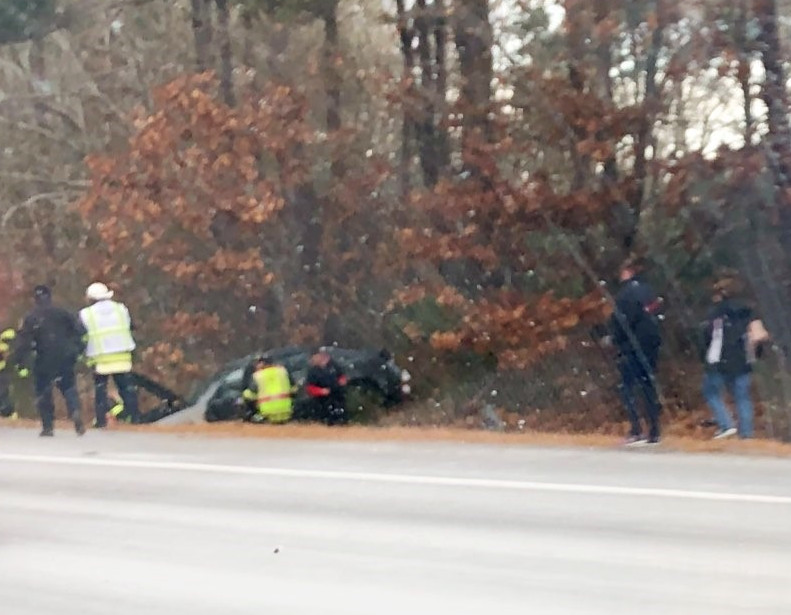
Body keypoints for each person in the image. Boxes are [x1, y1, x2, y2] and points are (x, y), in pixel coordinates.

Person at [700, 274, 768, 439]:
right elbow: (760, 334)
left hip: (720, 359)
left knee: (711, 392)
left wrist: (705, 355)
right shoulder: (748, 310)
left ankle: (726, 424)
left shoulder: (716, 312)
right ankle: (746, 434)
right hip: (743, 359)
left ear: (722, 293)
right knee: (742, 397)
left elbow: (709, 337)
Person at [12, 285, 86, 436]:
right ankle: (74, 411)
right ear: (50, 297)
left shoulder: (31, 317)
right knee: (68, 387)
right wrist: (77, 351)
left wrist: (20, 363)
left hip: (43, 358)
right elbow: (80, 331)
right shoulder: (63, 313)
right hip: (65, 356)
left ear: (35, 299)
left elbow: (23, 342)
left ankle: (48, 426)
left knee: (44, 391)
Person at [607, 257, 664, 446]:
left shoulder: (625, 295)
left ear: (627, 272)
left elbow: (622, 322)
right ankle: (654, 430)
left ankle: (636, 429)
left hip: (632, 347)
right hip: (651, 344)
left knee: (627, 387)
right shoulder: (649, 291)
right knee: (648, 386)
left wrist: (614, 339)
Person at [79, 282, 139, 427]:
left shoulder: (86, 314)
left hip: (101, 358)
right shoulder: (121, 309)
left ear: (90, 298)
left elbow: (81, 334)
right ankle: (134, 418)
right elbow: (131, 326)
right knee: (126, 389)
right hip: (123, 355)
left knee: (101, 390)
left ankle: (101, 421)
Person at [241, 355, 293, 424]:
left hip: (267, 414)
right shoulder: (283, 371)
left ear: (262, 363)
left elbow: (250, 394)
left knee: (246, 396)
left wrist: (244, 394)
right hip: (286, 412)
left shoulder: (258, 376)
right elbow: (294, 389)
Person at [305, 350, 348, 425]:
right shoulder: (312, 371)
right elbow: (310, 388)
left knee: (340, 417)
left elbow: (342, 376)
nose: (314, 360)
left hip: (337, 397)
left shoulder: (334, 365)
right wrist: (321, 391)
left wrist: (342, 382)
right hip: (321, 401)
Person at [0, 328, 25, 419]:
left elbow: (12, 359)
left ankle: (9, 413)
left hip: (3, 371)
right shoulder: (5, 347)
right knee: (3, 393)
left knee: (3, 393)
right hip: (4, 371)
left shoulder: (6, 347)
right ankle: (8, 413)